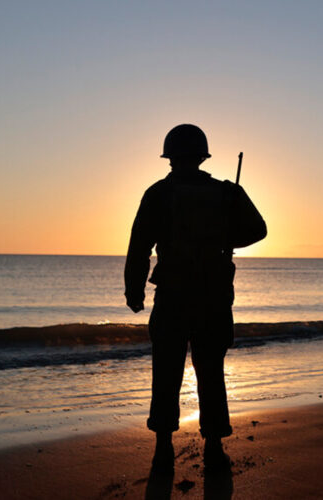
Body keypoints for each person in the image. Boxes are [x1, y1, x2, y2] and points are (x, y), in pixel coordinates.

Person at [124, 124, 267, 473]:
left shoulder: (158, 193)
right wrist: (224, 238)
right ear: (203, 155)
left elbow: (140, 245)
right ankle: (214, 447)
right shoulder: (226, 193)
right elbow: (259, 230)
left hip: (172, 296)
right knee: (210, 372)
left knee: (167, 371)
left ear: (170, 156)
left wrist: (134, 289)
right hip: (214, 298)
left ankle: (163, 449)